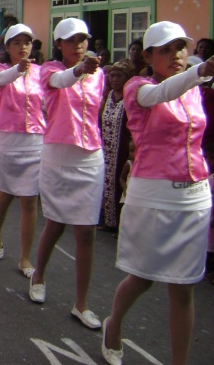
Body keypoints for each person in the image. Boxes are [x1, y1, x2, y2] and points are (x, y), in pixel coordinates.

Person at [101, 22, 214, 365]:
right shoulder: (138, 88)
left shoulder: (193, 86)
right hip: (153, 197)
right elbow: (163, 94)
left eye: (180, 47)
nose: (176, 55)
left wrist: (199, 75)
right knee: (143, 278)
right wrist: (202, 71)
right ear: (148, 56)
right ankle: (114, 325)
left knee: (184, 287)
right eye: (165, 49)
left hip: (195, 197)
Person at [29, 18, 105, 330]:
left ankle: (82, 303)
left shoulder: (98, 75)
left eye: (83, 39)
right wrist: (78, 70)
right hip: (58, 156)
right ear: (59, 44)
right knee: (55, 223)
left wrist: (87, 70)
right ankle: (38, 274)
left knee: (87, 232)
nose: (79, 45)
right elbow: (61, 82)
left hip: (90, 158)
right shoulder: (49, 70)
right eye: (71, 40)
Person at [0, 23, 45, 278]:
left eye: (27, 42)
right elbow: (0, 80)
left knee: (30, 200)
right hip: (8, 141)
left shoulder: (42, 73)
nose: (23, 47)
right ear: (8, 47)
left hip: (34, 141)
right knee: (4, 193)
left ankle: (25, 257)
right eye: (17, 43)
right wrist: (17, 70)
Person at [100, 61, 135, 232]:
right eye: (112, 75)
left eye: (118, 76)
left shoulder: (130, 98)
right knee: (106, 182)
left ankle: (119, 224)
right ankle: (108, 220)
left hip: (122, 149)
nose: (114, 79)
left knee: (119, 183)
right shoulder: (109, 96)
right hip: (107, 148)